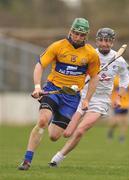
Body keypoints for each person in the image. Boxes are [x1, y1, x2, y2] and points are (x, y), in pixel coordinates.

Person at [18, 17, 100, 170]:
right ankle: (27, 160)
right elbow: (39, 65)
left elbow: (95, 77)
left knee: (54, 136)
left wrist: (87, 99)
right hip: (52, 89)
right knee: (43, 121)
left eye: (82, 35)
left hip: (71, 97)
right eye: (76, 33)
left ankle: (54, 113)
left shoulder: (90, 54)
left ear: (86, 36)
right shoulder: (58, 46)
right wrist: (37, 87)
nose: (78, 37)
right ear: (71, 31)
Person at [48, 27, 129, 167]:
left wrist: (118, 97)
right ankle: (54, 118)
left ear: (112, 42)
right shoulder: (89, 54)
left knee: (80, 130)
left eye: (108, 41)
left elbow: (125, 79)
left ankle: (58, 157)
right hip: (82, 97)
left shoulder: (119, 60)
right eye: (102, 40)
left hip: (101, 101)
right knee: (66, 133)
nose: (104, 43)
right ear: (97, 40)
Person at [107, 75, 129, 143]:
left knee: (125, 121)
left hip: (126, 103)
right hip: (117, 102)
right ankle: (111, 131)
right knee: (116, 120)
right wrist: (111, 100)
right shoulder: (115, 78)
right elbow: (111, 90)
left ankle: (122, 137)